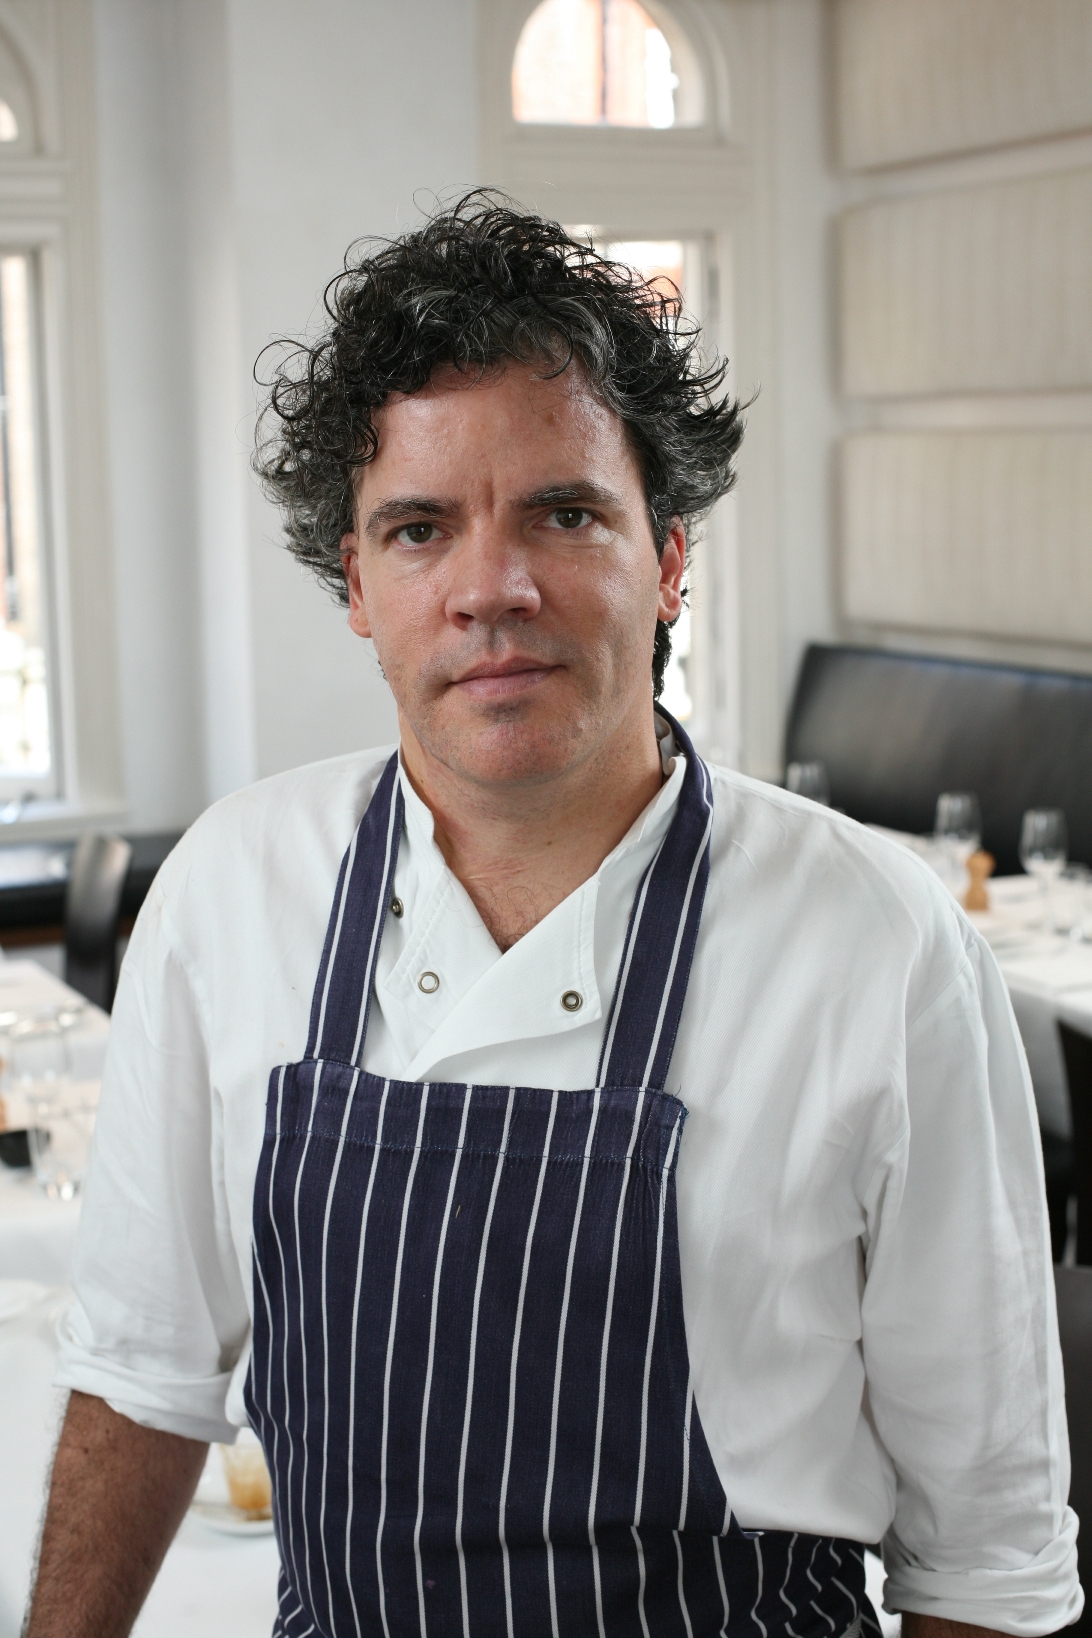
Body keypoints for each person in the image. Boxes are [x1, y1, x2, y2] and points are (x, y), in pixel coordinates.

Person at [27, 194, 1081, 1638]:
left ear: (671, 554)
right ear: (356, 584)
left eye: (565, 514)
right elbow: (142, 1374)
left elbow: (990, 1559)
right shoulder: (232, 888)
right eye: (419, 529)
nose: (492, 589)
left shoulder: (878, 941)